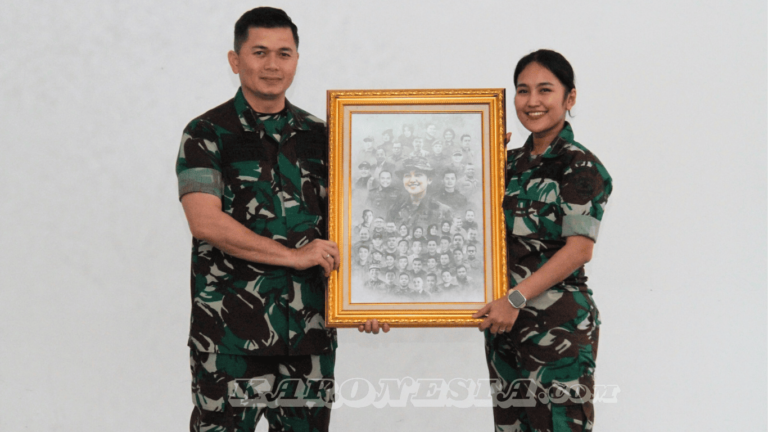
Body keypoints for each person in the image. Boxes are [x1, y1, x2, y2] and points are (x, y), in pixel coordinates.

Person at [176, 8, 387, 432]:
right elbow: (205, 222)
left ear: (296, 60)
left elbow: (356, 222)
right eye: (260, 52)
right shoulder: (206, 133)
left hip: (309, 337)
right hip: (231, 338)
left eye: (284, 53)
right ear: (235, 60)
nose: (273, 65)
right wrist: (293, 256)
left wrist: (367, 297)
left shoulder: (326, 136)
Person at [472, 49, 612, 431]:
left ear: (570, 98)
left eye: (545, 90)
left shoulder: (580, 165)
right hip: (504, 328)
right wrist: (476, 156)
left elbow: (579, 250)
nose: (532, 101)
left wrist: (514, 299)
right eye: (523, 90)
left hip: (558, 326)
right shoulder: (505, 164)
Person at [388, 158, 452, 227]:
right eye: (407, 175)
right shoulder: (395, 209)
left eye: (418, 175)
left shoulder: (443, 210)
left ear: (429, 180)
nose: (412, 180)